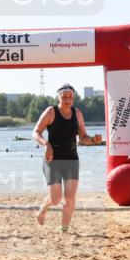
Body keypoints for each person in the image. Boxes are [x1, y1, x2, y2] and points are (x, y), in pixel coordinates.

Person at [32, 83, 102, 232]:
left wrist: (94, 141)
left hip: (71, 160)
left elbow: (83, 137)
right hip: (52, 160)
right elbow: (36, 132)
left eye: (70, 97)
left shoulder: (77, 114)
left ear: (73, 97)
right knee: (56, 199)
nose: (67, 99)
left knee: (70, 199)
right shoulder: (51, 112)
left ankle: (64, 228)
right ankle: (44, 207)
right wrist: (46, 144)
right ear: (59, 97)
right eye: (64, 97)